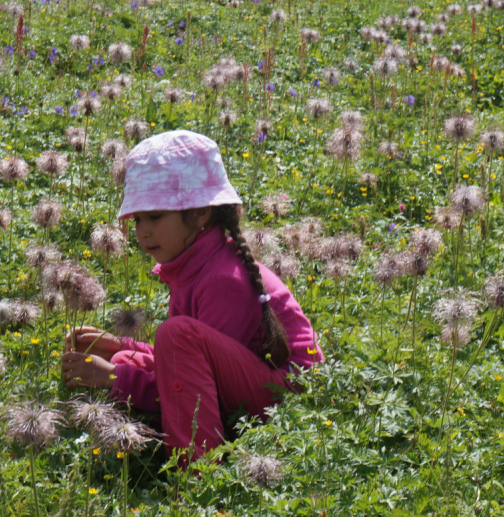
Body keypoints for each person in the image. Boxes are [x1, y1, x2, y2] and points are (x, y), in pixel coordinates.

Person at [61, 130, 323, 463]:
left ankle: (198, 474)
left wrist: (112, 378)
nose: (143, 231)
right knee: (141, 351)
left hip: (292, 401)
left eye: (155, 216)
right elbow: (188, 365)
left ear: (200, 213)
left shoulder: (222, 281)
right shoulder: (194, 264)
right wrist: (122, 347)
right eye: (138, 218)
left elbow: (196, 385)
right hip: (261, 388)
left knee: (168, 337)